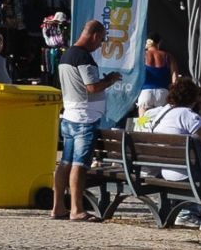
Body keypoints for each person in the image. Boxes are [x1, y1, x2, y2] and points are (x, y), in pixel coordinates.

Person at [52, 19, 121, 222]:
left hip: (70, 115)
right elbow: (92, 87)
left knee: (65, 162)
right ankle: (76, 209)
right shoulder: (83, 57)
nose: (100, 45)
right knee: (79, 165)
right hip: (85, 118)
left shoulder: (66, 55)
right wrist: (110, 80)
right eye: (100, 41)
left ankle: (58, 207)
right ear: (95, 36)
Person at [138, 34, 176, 113]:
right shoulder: (168, 56)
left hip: (146, 92)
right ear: (159, 43)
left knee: (142, 123)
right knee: (162, 122)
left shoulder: (141, 55)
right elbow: (175, 77)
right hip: (163, 93)